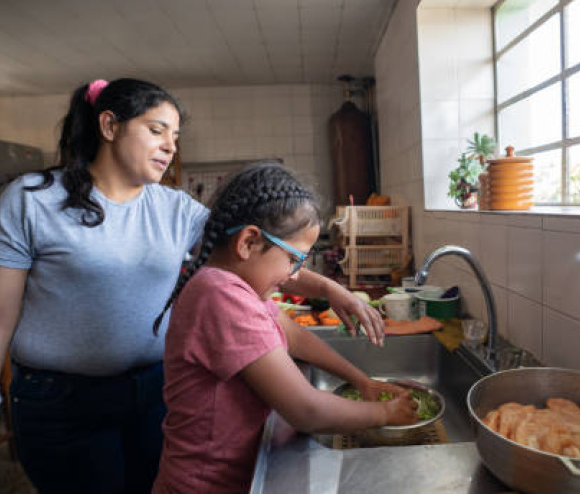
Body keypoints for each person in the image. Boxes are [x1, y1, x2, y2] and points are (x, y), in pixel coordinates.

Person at [0, 78, 385, 494]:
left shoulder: (175, 208)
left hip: (157, 395)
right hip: (63, 405)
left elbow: (253, 252)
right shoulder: (31, 200)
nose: (170, 146)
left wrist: (330, 290)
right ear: (109, 125)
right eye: (157, 130)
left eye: (174, 137)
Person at [152, 163, 418, 493]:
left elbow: (291, 334)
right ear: (248, 241)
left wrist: (360, 380)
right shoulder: (220, 295)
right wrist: (383, 414)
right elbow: (305, 410)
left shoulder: (236, 286)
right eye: (294, 259)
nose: (294, 276)